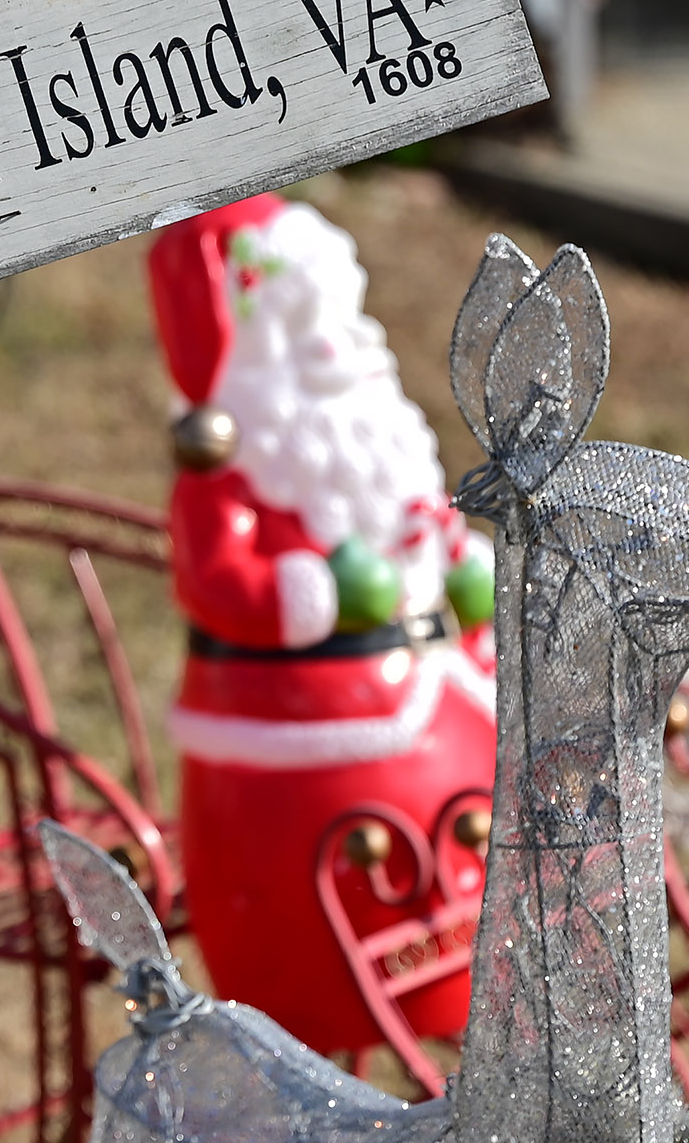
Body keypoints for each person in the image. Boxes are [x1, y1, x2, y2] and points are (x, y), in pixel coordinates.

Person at [152, 194, 496, 1053]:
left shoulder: (380, 458)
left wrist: (459, 568)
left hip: (441, 732)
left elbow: (430, 534)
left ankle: (461, 1018)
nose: (335, 347)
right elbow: (217, 579)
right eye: (302, 330)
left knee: (471, 929)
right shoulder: (235, 478)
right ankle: (317, 1052)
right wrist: (307, 592)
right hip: (307, 760)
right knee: (317, 982)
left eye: (337, 316)